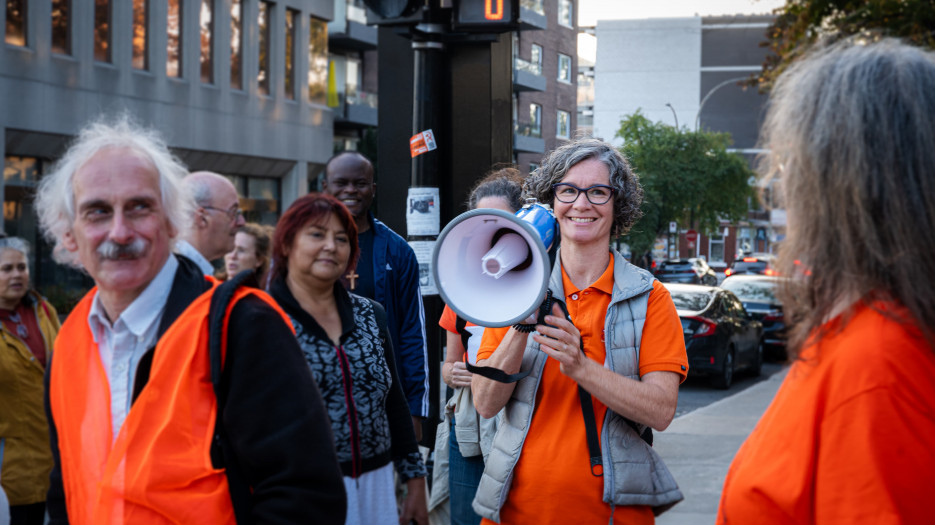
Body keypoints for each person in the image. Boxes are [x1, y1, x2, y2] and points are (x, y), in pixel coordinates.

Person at [35, 117, 346, 524]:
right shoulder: (70, 341)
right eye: (97, 212)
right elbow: (67, 491)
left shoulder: (243, 325)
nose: (120, 231)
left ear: (171, 222)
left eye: (139, 207)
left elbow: (306, 499)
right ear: (69, 235)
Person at [716, 39, 935, 524]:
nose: (778, 178)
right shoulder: (858, 337)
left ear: (844, 182)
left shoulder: (880, 370)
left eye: (792, 158)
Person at [471, 138, 688, 524]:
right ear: (551, 202)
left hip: (614, 514)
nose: (581, 203)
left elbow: (661, 410)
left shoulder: (649, 297)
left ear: (617, 204)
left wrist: (581, 367)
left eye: (598, 192)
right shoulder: (509, 289)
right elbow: (486, 403)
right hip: (516, 513)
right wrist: (523, 320)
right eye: (568, 190)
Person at [268, 193, 428, 525]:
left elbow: (393, 401)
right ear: (286, 245)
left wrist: (414, 480)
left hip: (377, 483)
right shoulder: (263, 319)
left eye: (341, 238)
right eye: (316, 234)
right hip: (299, 491)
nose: (331, 246)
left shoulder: (371, 315)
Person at [437, 168, 525, 525]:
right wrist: (453, 373)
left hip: (517, 414)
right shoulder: (463, 289)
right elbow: (448, 363)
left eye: (502, 223)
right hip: (470, 420)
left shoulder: (541, 282)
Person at [322, 152, 429, 436]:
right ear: (325, 188)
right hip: (320, 398)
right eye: (341, 183)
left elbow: (412, 333)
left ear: (373, 189)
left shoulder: (398, 251)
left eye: (360, 183)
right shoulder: (304, 248)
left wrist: (415, 409)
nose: (350, 191)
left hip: (381, 400)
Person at [0, 237, 60, 525]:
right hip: (10, 466)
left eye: (21, 267)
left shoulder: (44, 311)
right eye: (6, 269)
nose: (17, 275)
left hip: (53, 457)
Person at [176, 171, 247, 275]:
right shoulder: (176, 275)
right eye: (233, 213)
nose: (241, 222)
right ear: (202, 218)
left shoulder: (190, 270)